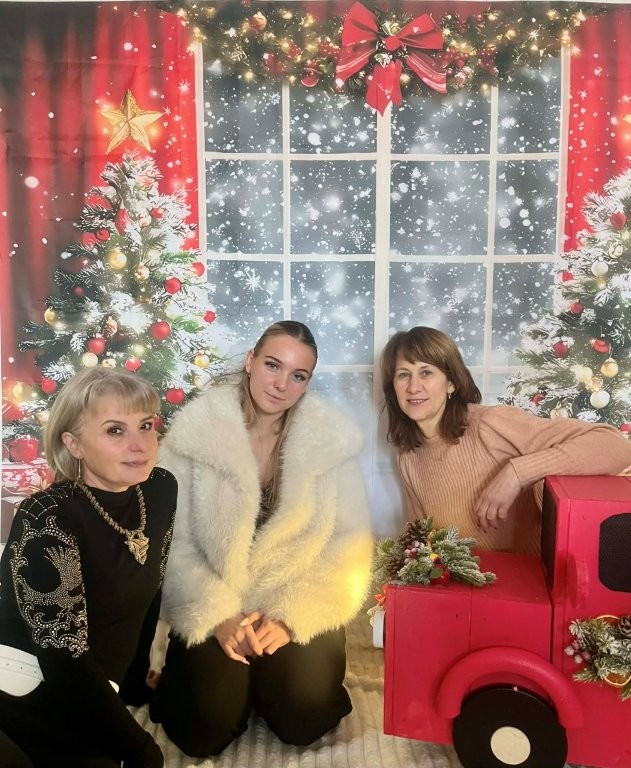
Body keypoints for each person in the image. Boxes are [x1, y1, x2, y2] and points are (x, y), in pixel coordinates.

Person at [149, 320, 373, 758]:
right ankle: (231, 683)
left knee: (302, 717)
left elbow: (348, 547)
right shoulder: (196, 435)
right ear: (251, 361)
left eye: (298, 375)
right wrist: (217, 615)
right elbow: (170, 543)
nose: (281, 384)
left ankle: (270, 680)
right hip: (217, 597)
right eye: (273, 365)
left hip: (292, 596)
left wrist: (291, 619)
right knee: (203, 731)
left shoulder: (331, 442)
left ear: (307, 382)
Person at [0, 368, 177, 768]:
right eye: (115, 430)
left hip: (88, 683)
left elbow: (149, 588)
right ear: (74, 444)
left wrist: (136, 684)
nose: (139, 444)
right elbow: (63, 655)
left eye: (145, 425)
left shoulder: (161, 488)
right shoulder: (46, 515)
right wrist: (139, 746)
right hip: (21, 679)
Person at [380, 326, 631, 555]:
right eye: (403, 375)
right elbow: (424, 546)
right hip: (467, 587)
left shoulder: (490, 424)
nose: (413, 386)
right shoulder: (409, 455)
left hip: (532, 584)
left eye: (426, 372)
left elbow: (615, 446)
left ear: (451, 383)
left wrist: (516, 473)